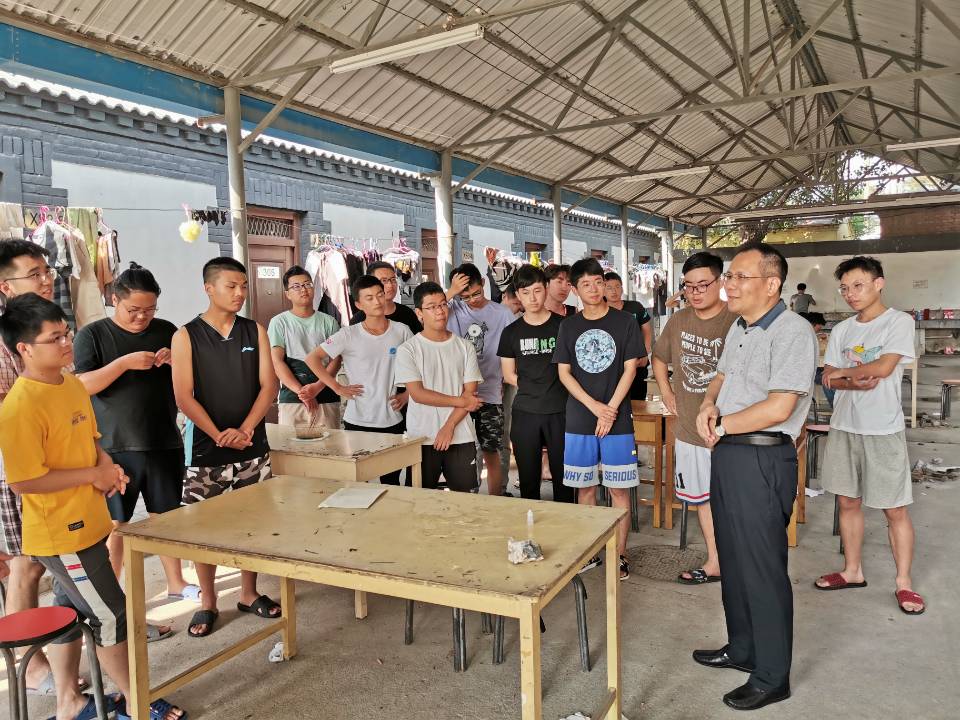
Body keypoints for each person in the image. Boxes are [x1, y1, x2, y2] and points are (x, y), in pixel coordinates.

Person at [0, 293, 186, 720]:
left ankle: (70, 702)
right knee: (111, 613)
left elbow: (92, 440)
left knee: (68, 610)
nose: (67, 343)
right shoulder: (20, 407)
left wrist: (108, 468)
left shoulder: (69, 384)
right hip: (61, 533)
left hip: (89, 521)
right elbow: (25, 480)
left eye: (66, 333)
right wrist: (92, 475)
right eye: (54, 339)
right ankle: (137, 701)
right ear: (24, 348)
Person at [692, 241, 816, 711]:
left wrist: (723, 424)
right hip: (729, 451)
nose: (729, 284)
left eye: (740, 277)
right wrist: (708, 405)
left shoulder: (792, 331)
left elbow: (780, 407)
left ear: (771, 283)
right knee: (734, 558)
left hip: (763, 457)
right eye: (730, 276)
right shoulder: (740, 327)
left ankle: (771, 675)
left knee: (762, 568)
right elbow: (722, 377)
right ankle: (743, 648)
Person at [74, 263, 195, 638]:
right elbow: (82, 385)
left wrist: (175, 362)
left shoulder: (167, 331)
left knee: (166, 518)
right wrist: (124, 363)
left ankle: (176, 582)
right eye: (134, 310)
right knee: (117, 524)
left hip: (163, 440)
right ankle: (113, 594)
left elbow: (187, 381)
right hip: (114, 446)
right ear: (114, 300)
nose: (143, 317)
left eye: (150, 309)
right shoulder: (93, 335)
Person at [171, 257, 281, 638]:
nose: (239, 293)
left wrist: (246, 429)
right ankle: (208, 600)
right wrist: (218, 434)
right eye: (231, 286)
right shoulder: (186, 336)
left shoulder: (255, 330)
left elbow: (269, 386)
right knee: (204, 529)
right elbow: (184, 396)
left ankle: (249, 592)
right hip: (205, 451)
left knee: (254, 524)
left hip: (253, 447)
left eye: (243, 286)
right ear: (209, 288)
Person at [0, 240, 88, 699]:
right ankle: (28, 666)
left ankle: (56, 660)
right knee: (26, 564)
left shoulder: (48, 326)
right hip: (16, 469)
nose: (47, 279)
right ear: (5, 285)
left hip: (58, 464)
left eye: (46, 271)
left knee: (53, 564)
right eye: (34, 273)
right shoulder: (9, 341)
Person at [815, 256, 924, 615]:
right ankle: (852, 571)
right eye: (844, 288)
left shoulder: (898, 322)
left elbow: (885, 367)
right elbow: (828, 377)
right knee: (848, 502)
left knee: (895, 509)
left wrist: (846, 374)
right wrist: (852, 379)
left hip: (883, 429)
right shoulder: (843, 330)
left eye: (858, 285)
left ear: (879, 283)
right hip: (845, 426)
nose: (850, 293)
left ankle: (904, 583)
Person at [651, 252, 736, 585]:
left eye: (703, 285)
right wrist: (666, 392)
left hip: (732, 429)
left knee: (735, 501)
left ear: (720, 282)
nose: (695, 292)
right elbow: (659, 358)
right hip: (689, 428)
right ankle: (716, 561)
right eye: (688, 286)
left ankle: (742, 561)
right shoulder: (678, 321)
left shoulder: (736, 320)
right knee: (704, 500)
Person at [554, 258, 642, 580]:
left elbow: (630, 369)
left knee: (619, 490)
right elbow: (564, 373)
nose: (593, 289)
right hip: (580, 417)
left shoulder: (625, 322)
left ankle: (620, 555)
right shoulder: (568, 326)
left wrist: (610, 410)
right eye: (586, 284)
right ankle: (589, 552)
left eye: (598, 282)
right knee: (585, 489)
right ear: (575, 290)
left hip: (617, 419)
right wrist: (595, 407)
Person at [305, 275, 413, 485]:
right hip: (358, 420)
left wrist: (408, 394)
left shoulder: (401, 331)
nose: (377, 301)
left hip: (392, 419)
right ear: (358, 304)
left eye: (380, 295)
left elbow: (418, 366)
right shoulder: (348, 334)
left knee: (391, 480)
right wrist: (337, 387)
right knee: (357, 482)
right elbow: (312, 359)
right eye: (369, 298)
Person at [394, 282, 483, 491]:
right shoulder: (408, 349)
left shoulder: (465, 346)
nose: (440, 311)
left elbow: (470, 394)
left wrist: (449, 426)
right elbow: (418, 394)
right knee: (420, 501)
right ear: (419, 313)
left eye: (443, 304)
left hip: (461, 435)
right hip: (422, 436)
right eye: (432, 307)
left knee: (465, 501)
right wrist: (460, 401)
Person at [498, 265, 572, 503]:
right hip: (526, 413)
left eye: (537, 290)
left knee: (565, 481)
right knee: (529, 482)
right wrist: (533, 386)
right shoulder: (510, 332)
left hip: (561, 412)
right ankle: (531, 525)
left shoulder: (564, 326)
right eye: (526, 292)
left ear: (546, 289)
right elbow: (508, 374)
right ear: (518, 295)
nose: (532, 298)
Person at [445, 263, 515, 496]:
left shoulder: (502, 313)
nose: (472, 300)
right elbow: (431, 308)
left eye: (476, 293)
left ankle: (495, 499)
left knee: (492, 451)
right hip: (459, 395)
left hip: (491, 393)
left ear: (483, 283)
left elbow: (512, 351)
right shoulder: (452, 308)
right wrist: (452, 292)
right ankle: (468, 498)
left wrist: (506, 379)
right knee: (463, 453)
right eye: (465, 296)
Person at [267, 265, 342, 429]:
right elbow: (277, 362)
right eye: (296, 286)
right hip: (292, 398)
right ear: (287, 294)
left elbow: (336, 360)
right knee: (290, 444)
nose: (303, 289)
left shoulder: (329, 321)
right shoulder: (279, 322)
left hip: (326, 395)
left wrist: (317, 387)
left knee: (331, 443)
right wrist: (303, 393)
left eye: (307, 284)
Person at [604, 271, 652, 400]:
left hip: (638, 363)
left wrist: (645, 354)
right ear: (603, 290)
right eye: (609, 288)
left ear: (622, 288)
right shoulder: (600, 311)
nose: (614, 291)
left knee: (637, 400)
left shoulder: (635, 307)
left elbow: (647, 330)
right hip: (612, 368)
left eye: (617, 286)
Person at [350, 261, 422, 334]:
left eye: (393, 279)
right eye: (384, 281)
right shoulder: (358, 320)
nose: (390, 285)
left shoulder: (407, 313)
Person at [802, 311, 835, 409]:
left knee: (833, 377)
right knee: (827, 379)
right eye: (818, 328)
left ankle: (837, 405)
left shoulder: (811, 335)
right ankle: (835, 406)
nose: (818, 330)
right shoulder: (804, 335)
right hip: (808, 371)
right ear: (813, 324)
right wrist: (816, 339)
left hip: (819, 367)